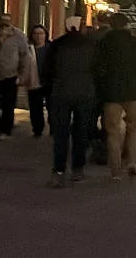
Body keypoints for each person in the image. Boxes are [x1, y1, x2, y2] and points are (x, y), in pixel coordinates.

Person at [94, 13, 136, 181]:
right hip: (132, 91)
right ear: (127, 25)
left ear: (111, 24)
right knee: (134, 128)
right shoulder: (135, 43)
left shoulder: (104, 43)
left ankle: (115, 170)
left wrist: (98, 90)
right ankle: (132, 161)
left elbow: (97, 68)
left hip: (111, 93)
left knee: (113, 131)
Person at [42, 17, 98, 186]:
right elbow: (99, 69)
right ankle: (78, 168)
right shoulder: (92, 45)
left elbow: (47, 70)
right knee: (81, 132)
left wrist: (50, 89)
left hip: (61, 93)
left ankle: (58, 170)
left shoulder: (57, 45)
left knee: (61, 134)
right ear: (81, 27)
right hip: (85, 93)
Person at [27, 25, 51, 138]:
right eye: (36, 33)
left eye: (41, 33)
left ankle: (54, 127)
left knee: (52, 106)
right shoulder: (28, 49)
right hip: (34, 80)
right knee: (35, 106)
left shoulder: (51, 49)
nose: (38, 36)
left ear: (45, 35)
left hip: (49, 81)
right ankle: (37, 128)